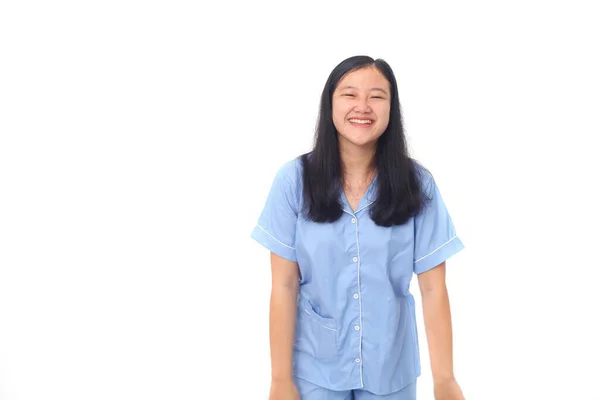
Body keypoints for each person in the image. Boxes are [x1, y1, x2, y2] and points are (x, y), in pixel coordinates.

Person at [250, 55, 466, 400]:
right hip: (313, 370)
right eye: (349, 95)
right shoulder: (293, 181)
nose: (363, 107)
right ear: (330, 104)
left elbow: (433, 290)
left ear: (391, 109)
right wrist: (279, 379)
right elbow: (284, 285)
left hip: (391, 369)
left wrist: (445, 379)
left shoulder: (417, 183)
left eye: (377, 96)